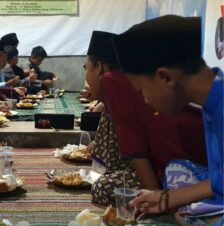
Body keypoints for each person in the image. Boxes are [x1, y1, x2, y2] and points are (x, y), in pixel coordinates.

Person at [112, 15, 223, 226]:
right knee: (176, 170)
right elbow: (220, 180)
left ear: (166, 78)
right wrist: (166, 198)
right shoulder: (212, 103)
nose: (145, 100)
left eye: (142, 90)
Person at [85, 31, 207, 206]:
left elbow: (136, 151)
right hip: (194, 164)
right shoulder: (126, 81)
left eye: (85, 68)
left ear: (100, 68)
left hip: (183, 170)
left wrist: (157, 199)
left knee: (102, 188)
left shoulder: (111, 81)